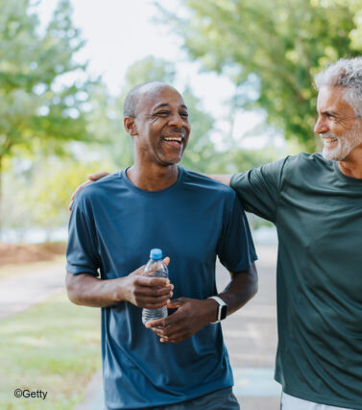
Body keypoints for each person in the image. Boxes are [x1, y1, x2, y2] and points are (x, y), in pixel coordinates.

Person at [72, 59, 362, 410]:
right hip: (304, 390)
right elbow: (216, 184)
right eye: (319, 113)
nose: (319, 126)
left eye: (332, 116)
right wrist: (126, 180)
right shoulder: (294, 177)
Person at [66, 81, 258, 410]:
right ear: (131, 126)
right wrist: (124, 288)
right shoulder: (94, 200)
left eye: (184, 114)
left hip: (210, 390)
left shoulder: (219, 200)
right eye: (162, 113)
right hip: (132, 393)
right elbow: (75, 285)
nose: (178, 122)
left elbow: (246, 277)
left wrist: (211, 309)